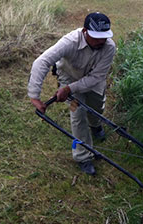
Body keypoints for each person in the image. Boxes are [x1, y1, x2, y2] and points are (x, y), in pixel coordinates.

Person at [28, 12, 116, 176]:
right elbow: (42, 62)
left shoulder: (109, 48)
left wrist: (69, 90)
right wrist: (35, 95)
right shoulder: (70, 41)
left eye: (103, 37)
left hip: (94, 80)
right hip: (69, 76)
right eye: (96, 37)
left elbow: (97, 77)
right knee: (78, 115)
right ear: (85, 31)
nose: (100, 41)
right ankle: (83, 157)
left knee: (97, 106)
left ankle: (95, 125)